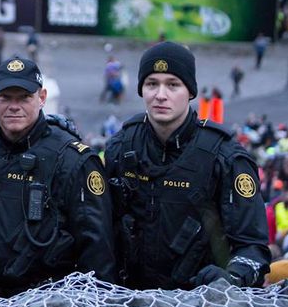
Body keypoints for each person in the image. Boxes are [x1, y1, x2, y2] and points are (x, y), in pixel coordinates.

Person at [105, 41, 271, 290]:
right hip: (130, 301)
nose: (161, 95)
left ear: (190, 91)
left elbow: (253, 247)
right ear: (141, 90)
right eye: (152, 84)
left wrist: (232, 278)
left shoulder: (225, 157)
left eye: (173, 84)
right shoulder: (121, 146)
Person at [0, 57, 116, 303]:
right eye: (5, 97)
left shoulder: (72, 160)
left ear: (41, 98)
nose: (14, 106)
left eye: (24, 97)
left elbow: (98, 252)